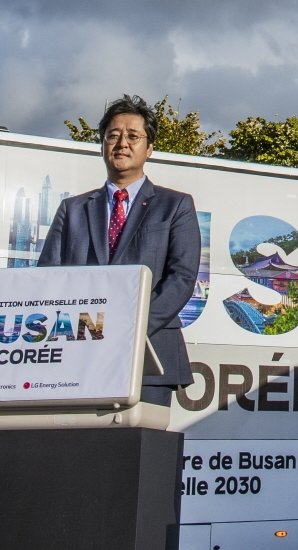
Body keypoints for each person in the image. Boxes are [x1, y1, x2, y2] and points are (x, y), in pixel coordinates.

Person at [39, 94, 201, 406]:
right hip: (78, 356)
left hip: (149, 354)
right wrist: (87, 331)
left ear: (149, 148)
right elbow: (48, 279)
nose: (121, 143)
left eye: (133, 136)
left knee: (141, 439)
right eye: (112, 135)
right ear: (102, 145)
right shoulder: (72, 210)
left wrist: (129, 330)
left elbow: (181, 278)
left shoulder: (176, 205)